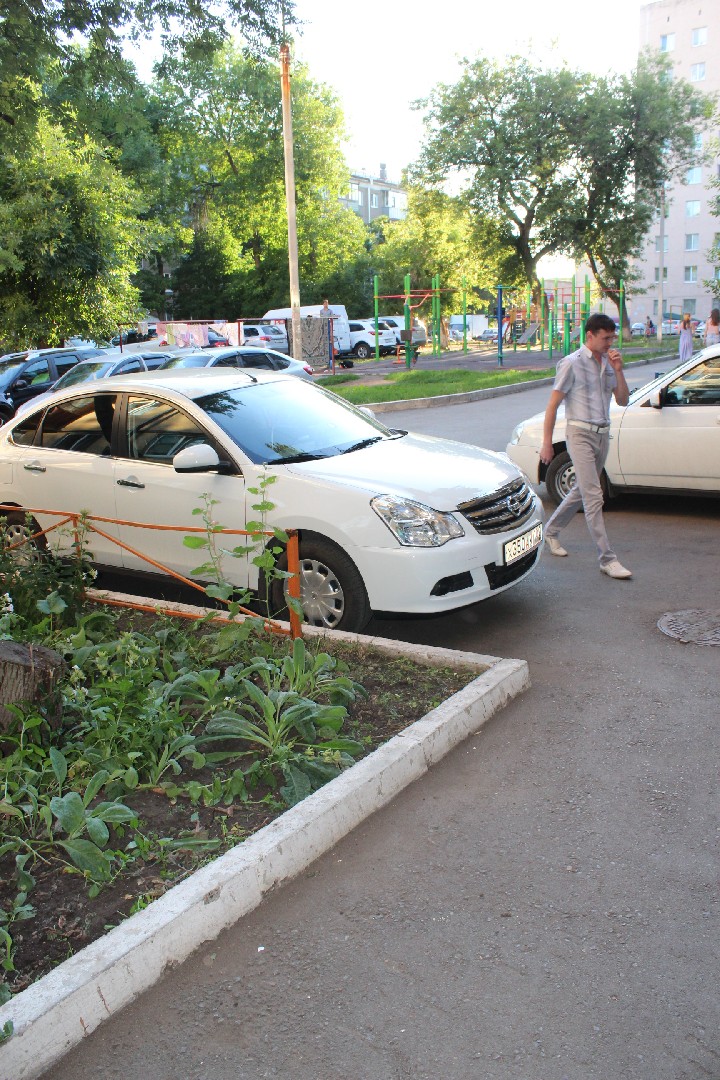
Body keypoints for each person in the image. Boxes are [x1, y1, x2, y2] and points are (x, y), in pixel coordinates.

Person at [540, 312, 631, 579]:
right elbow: (553, 405)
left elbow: (623, 400)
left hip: (603, 434)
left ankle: (551, 531)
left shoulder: (609, 364)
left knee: (582, 490)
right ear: (589, 336)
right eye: (605, 338)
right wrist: (547, 443)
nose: (610, 342)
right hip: (579, 433)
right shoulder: (571, 364)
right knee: (594, 496)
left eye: (612, 337)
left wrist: (619, 370)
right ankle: (608, 559)